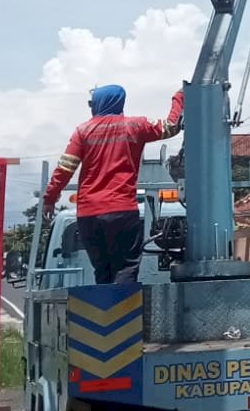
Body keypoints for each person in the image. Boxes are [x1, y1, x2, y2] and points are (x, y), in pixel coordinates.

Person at [42, 83, 184, 285]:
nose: (91, 107)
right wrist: (179, 97)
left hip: (88, 215)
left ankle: (104, 315)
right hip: (121, 212)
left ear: (99, 103)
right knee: (125, 268)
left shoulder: (82, 132)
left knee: (102, 270)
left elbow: (64, 169)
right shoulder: (137, 126)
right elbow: (171, 127)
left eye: (92, 102)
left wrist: (50, 198)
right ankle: (124, 314)